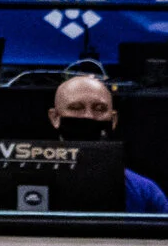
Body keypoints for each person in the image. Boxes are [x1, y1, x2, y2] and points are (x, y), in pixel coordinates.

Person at [50, 74, 167, 213]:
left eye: (99, 109)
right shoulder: (28, 179)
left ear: (113, 120)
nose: (88, 116)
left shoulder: (144, 191)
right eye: (76, 108)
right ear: (55, 117)